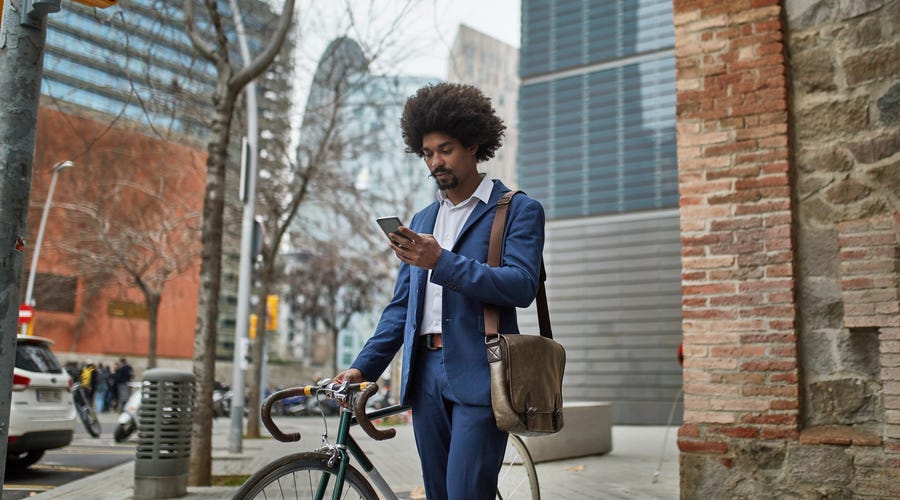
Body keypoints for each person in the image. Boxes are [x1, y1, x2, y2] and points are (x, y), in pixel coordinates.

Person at [333, 83, 546, 500]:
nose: (435, 162)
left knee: (466, 492)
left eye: (445, 149)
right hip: (423, 376)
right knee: (438, 494)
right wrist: (363, 367)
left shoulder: (518, 209)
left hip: (481, 369)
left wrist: (441, 262)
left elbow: (521, 286)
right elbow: (402, 309)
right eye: (427, 153)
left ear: (473, 144)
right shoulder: (422, 218)